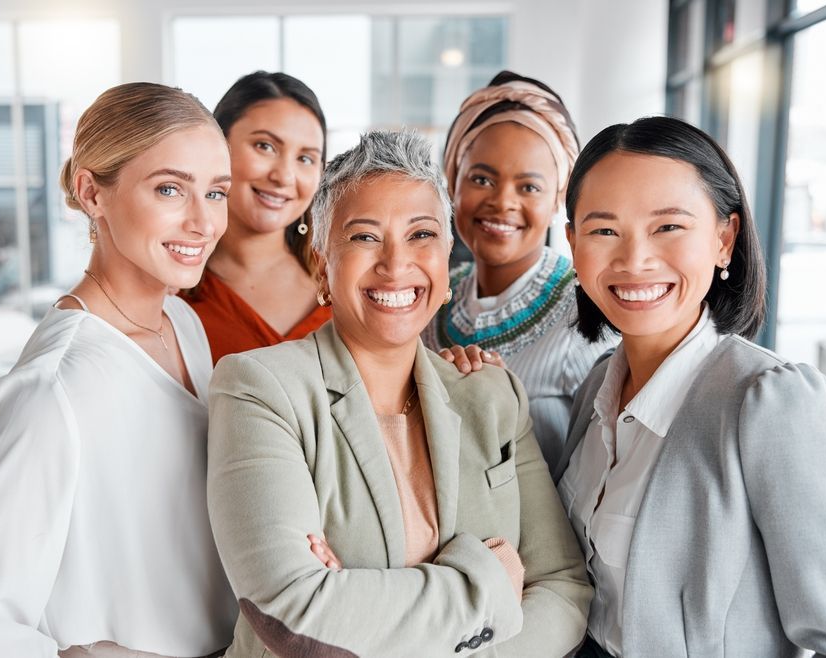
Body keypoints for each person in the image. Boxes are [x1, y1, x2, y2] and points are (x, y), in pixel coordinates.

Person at [207, 130, 592, 657]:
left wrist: (366, 611)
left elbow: (565, 587)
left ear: (446, 263)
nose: (395, 263)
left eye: (421, 235)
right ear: (322, 266)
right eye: (365, 237)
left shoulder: (492, 396)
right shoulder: (260, 390)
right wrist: (491, 587)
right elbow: (293, 613)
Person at [0, 82, 239, 658]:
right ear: (91, 192)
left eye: (216, 193)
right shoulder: (55, 388)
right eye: (169, 189)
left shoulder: (182, 323)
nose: (203, 222)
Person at [554, 115, 826, 657]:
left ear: (724, 239)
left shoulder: (773, 402)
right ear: (572, 243)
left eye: (668, 227)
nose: (634, 259)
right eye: (604, 230)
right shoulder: (597, 386)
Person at [423, 71, 616, 469]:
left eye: (528, 187)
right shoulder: (432, 299)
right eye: (481, 179)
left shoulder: (587, 314)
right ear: (452, 182)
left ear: (558, 198)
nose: (502, 202)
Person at [182, 71, 330, 363]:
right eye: (265, 146)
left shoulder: (342, 277)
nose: (284, 176)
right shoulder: (172, 291)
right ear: (217, 146)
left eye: (305, 158)